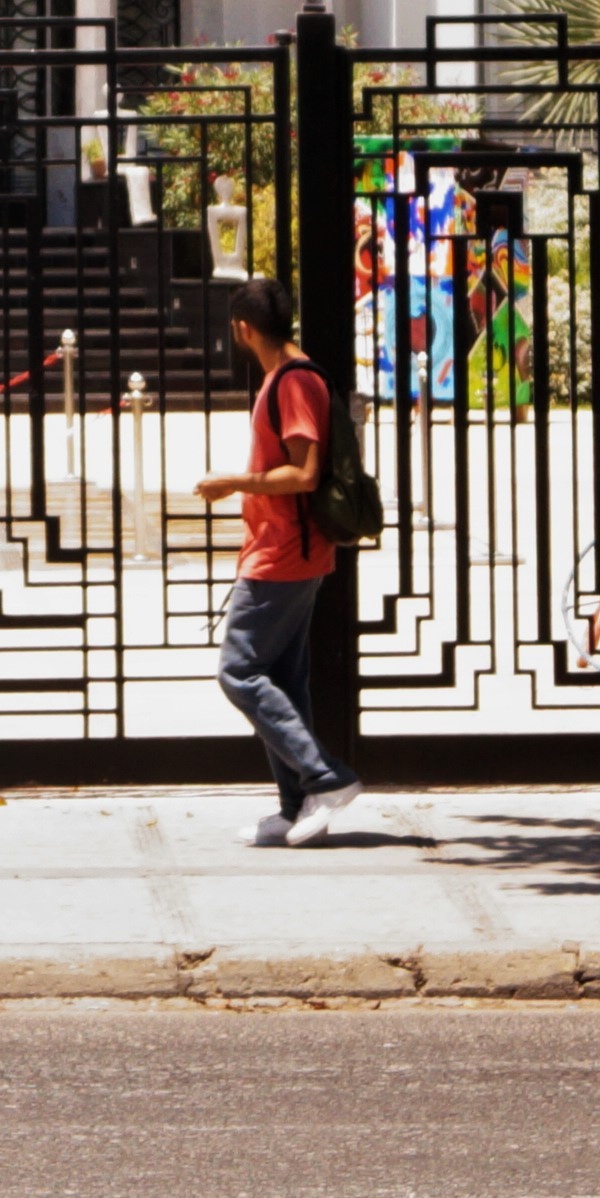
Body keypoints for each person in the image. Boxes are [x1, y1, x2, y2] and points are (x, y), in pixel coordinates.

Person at [193, 275, 364, 846]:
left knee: (238, 670)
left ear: (243, 328)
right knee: (285, 680)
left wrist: (230, 482)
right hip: (292, 551)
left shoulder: (291, 381)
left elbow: (304, 473)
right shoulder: (292, 374)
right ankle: (296, 808)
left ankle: (325, 776)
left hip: (284, 554)